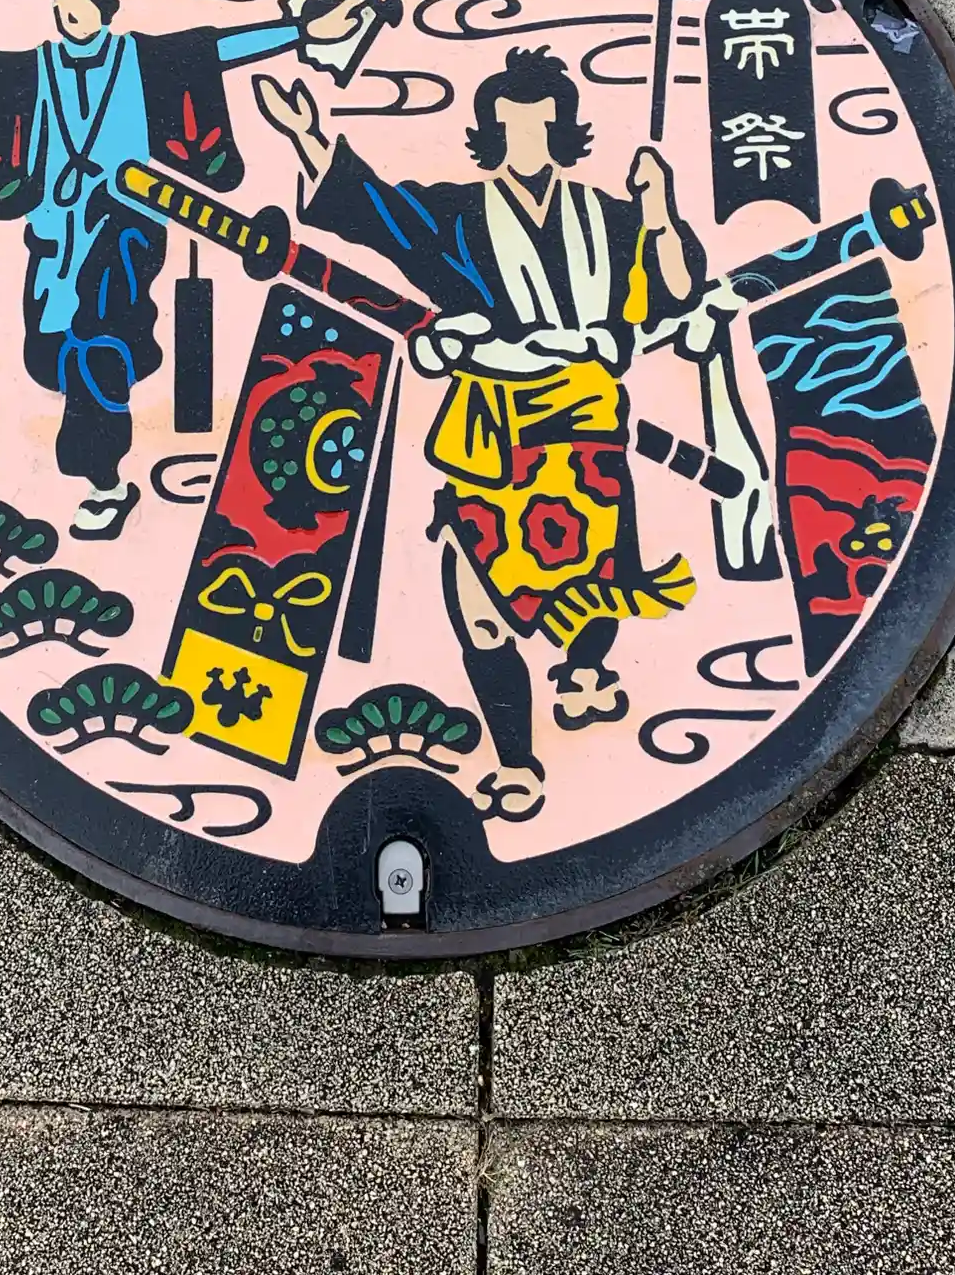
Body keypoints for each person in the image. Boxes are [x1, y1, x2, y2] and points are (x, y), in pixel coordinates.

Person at [256, 45, 707, 821]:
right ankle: (518, 763)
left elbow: (678, 292)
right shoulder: (459, 217)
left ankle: (584, 672)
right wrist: (308, 137)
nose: (524, 143)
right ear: (489, 134)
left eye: (539, 127)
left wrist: (659, 209)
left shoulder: (611, 218)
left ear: (564, 132)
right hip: (489, 436)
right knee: (479, 602)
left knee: (593, 581)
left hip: (583, 433)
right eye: (509, 128)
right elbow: (376, 212)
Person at [0, 0, 373, 540]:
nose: (72, 13)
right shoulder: (36, 68)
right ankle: (101, 470)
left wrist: (299, 31)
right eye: (63, 2)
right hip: (54, 238)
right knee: (54, 354)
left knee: (101, 345)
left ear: (106, 6)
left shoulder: (139, 59)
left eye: (84, 2)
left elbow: (218, 49)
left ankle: (103, 479)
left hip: (125, 228)